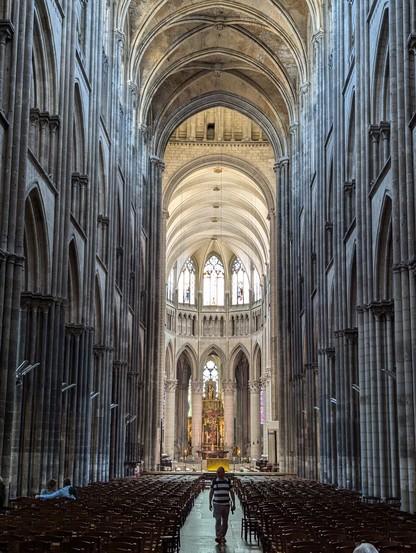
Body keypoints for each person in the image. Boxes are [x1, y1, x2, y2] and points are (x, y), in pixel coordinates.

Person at [209, 466, 236, 544]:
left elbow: (232, 492)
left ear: (223, 473)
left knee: (225, 522)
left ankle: (222, 536)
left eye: (219, 472)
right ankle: (218, 536)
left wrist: (234, 503)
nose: (217, 473)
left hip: (226, 505)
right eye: (217, 472)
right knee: (218, 521)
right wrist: (210, 503)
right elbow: (211, 492)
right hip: (217, 504)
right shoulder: (214, 481)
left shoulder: (228, 481)